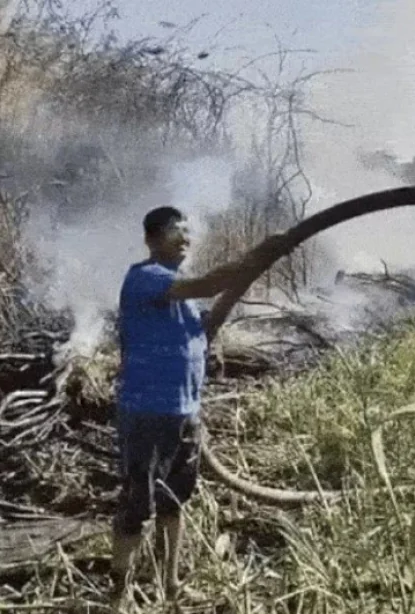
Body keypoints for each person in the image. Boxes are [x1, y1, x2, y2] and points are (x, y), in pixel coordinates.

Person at [109, 206, 291, 610]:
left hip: (184, 412)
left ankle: (170, 586)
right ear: (152, 238)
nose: (186, 238)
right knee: (137, 505)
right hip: (147, 412)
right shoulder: (146, 278)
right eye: (177, 231)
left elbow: (201, 320)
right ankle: (118, 599)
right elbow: (210, 284)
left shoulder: (179, 295)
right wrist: (264, 252)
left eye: (188, 231)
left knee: (174, 503)